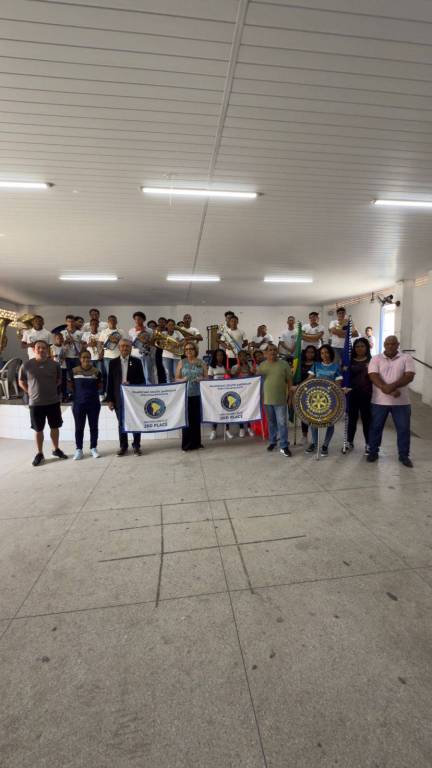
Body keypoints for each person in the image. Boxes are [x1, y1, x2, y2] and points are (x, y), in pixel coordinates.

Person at [367, 336, 415, 467]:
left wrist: (391, 386)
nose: (390, 346)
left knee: (403, 429)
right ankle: (373, 452)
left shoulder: (406, 358)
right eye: (388, 343)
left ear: (398, 344)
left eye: (393, 344)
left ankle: (404, 456)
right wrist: (388, 389)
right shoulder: (376, 358)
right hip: (379, 401)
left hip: (401, 402)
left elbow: (409, 376)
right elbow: (373, 376)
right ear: (384, 344)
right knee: (376, 427)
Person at [18, 340, 67, 466]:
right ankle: (39, 453)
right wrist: (29, 392)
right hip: (36, 403)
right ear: (34, 350)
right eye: (38, 348)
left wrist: (50, 389)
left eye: (44, 348)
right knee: (38, 429)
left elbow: (59, 380)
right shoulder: (27, 365)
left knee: (55, 427)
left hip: (53, 402)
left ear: (47, 350)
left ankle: (56, 449)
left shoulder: (55, 365)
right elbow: (21, 381)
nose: (41, 350)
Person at [106, 338, 145, 456]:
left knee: (135, 422)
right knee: (121, 423)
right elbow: (110, 382)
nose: (125, 348)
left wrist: (130, 383)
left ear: (131, 348)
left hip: (133, 398)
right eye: (122, 346)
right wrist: (110, 400)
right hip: (119, 398)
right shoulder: (113, 363)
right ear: (119, 348)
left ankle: (136, 445)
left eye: (127, 346)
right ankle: (123, 446)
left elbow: (142, 381)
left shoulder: (137, 362)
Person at [305, 344, 343, 456]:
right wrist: (298, 387)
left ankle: (325, 445)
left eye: (326, 352)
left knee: (330, 423)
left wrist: (340, 390)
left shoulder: (336, 367)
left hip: (331, 399)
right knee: (313, 422)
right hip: (316, 399)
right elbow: (308, 380)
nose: (324, 355)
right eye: (322, 353)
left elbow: (338, 384)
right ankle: (314, 443)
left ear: (330, 353)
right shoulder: (316, 365)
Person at [258, 344, 292, 457]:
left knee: (282, 423)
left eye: (274, 350)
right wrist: (254, 372)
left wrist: (290, 396)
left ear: (277, 352)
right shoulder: (262, 365)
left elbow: (289, 381)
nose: (272, 352)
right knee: (271, 422)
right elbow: (256, 380)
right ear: (266, 353)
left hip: (280, 400)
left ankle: (284, 445)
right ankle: (273, 442)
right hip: (267, 400)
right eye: (270, 350)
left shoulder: (284, 364)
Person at [70, 349, 103, 460]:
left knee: (94, 427)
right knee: (79, 428)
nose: (86, 359)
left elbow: (100, 386)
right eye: (83, 357)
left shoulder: (96, 371)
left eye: (88, 357)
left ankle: (93, 448)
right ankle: (79, 449)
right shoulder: (74, 371)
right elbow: (71, 386)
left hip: (94, 404)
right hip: (78, 404)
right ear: (80, 359)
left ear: (91, 358)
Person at [175, 341, 207, 451]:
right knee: (187, 420)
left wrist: (201, 379)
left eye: (191, 349)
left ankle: (197, 443)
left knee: (196, 419)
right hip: (185, 395)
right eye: (186, 349)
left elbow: (206, 378)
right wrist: (183, 379)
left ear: (195, 350)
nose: (188, 351)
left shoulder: (201, 362)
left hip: (198, 394)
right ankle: (186, 445)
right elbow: (176, 378)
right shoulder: (181, 362)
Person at [347, 338, 372, 454]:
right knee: (352, 419)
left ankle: (368, 444)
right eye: (357, 346)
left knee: (367, 420)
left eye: (362, 346)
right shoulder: (349, 361)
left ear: (366, 347)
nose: (359, 348)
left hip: (367, 395)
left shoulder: (372, 361)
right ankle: (349, 442)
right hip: (352, 394)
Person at [290, 344, 317, 443]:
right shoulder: (299, 364)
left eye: (312, 352)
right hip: (301, 391)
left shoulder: (317, 364)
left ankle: (315, 438)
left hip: (314, 392)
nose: (310, 354)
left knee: (313, 415)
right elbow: (294, 376)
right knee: (304, 415)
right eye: (308, 352)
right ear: (305, 353)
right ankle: (304, 436)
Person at [207, 348, 233, 440]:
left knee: (227, 410)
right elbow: (209, 380)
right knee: (216, 411)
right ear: (215, 356)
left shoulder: (227, 366)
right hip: (216, 393)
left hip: (226, 392)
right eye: (218, 355)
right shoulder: (211, 367)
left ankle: (227, 430)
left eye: (221, 355)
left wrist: (229, 373)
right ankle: (213, 430)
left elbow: (231, 379)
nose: (220, 357)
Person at [231, 349, 255, 437]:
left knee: (248, 408)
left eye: (244, 356)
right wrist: (237, 371)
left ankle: (249, 427)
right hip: (239, 391)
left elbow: (253, 376)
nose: (243, 357)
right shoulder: (234, 366)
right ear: (238, 357)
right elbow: (232, 377)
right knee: (240, 409)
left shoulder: (250, 365)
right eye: (241, 356)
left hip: (249, 391)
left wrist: (251, 370)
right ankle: (241, 428)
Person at [98, 314, 125, 389]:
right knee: (109, 375)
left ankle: (119, 390)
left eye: (114, 320)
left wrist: (116, 340)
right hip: (107, 357)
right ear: (108, 322)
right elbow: (100, 343)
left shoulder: (121, 331)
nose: (112, 322)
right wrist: (100, 353)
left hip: (118, 356)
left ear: (116, 322)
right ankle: (109, 392)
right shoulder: (104, 331)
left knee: (119, 374)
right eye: (110, 321)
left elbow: (124, 342)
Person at [129, 311, 155, 384]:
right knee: (136, 373)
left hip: (146, 354)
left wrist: (147, 343)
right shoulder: (131, 331)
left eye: (139, 319)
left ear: (143, 320)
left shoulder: (149, 330)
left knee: (148, 374)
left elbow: (153, 343)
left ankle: (149, 388)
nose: (137, 321)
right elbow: (130, 343)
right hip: (134, 355)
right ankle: (137, 388)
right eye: (135, 319)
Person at [61, 315, 83, 397]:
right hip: (66, 357)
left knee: (77, 376)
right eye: (69, 321)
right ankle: (70, 393)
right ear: (66, 322)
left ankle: (77, 393)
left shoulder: (79, 333)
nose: (70, 323)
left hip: (77, 357)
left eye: (72, 321)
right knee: (68, 377)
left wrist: (75, 341)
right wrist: (66, 341)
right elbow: (60, 344)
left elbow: (83, 345)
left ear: (74, 322)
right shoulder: (63, 333)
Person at [162, 318, 184, 382]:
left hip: (177, 356)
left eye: (172, 325)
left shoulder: (177, 333)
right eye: (169, 325)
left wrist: (179, 344)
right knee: (168, 374)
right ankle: (169, 387)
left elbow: (184, 341)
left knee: (176, 374)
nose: (171, 326)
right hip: (166, 356)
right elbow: (161, 343)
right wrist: (169, 344)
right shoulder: (163, 333)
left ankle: (177, 387)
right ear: (166, 326)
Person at [50, 332, 68, 402]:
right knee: (56, 383)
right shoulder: (52, 347)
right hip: (55, 368)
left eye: (61, 338)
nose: (59, 340)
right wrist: (53, 356)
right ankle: (56, 397)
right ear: (55, 339)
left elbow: (65, 356)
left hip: (63, 367)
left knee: (64, 382)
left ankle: (64, 397)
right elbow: (50, 357)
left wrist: (62, 356)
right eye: (58, 338)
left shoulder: (64, 347)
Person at [155, 316, 167, 383]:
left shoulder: (168, 331)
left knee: (167, 367)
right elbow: (153, 341)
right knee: (159, 367)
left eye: (163, 322)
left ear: (165, 323)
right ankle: (161, 382)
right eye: (160, 322)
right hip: (158, 351)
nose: (161, 323)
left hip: (167, 351)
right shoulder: (156, 331)